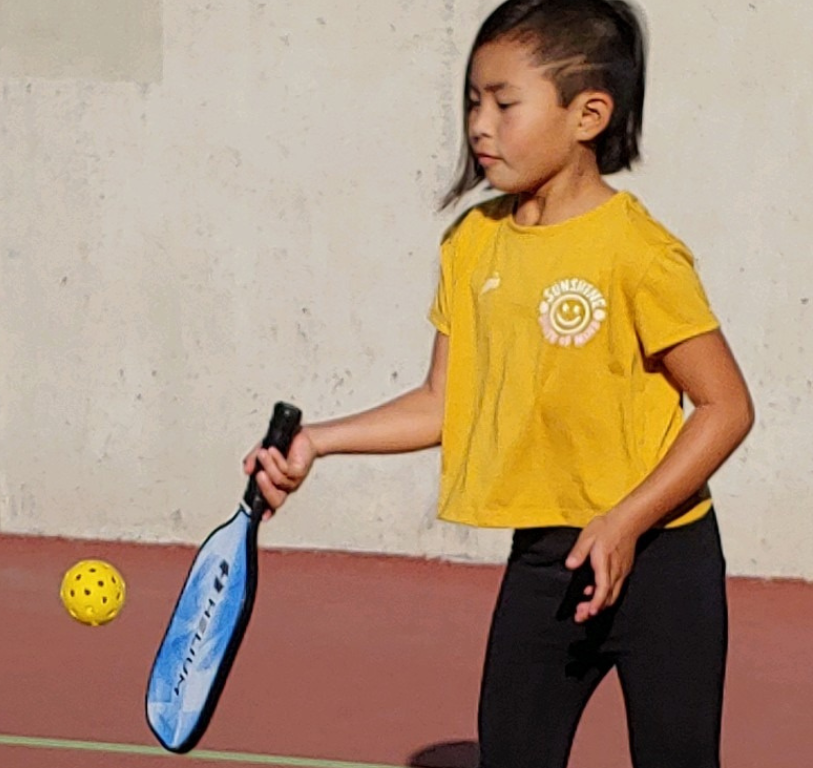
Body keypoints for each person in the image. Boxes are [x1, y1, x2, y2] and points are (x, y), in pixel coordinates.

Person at [243, 1, 755, 766]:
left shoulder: (639, 254)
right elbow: (443, 402)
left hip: (663, 562)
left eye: (505, 104)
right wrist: (318, 441)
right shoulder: (472, 245)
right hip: (548, 564)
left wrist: (624, 520)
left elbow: (726, 408)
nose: (480, 125)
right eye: (472, 102)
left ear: (588, 114)